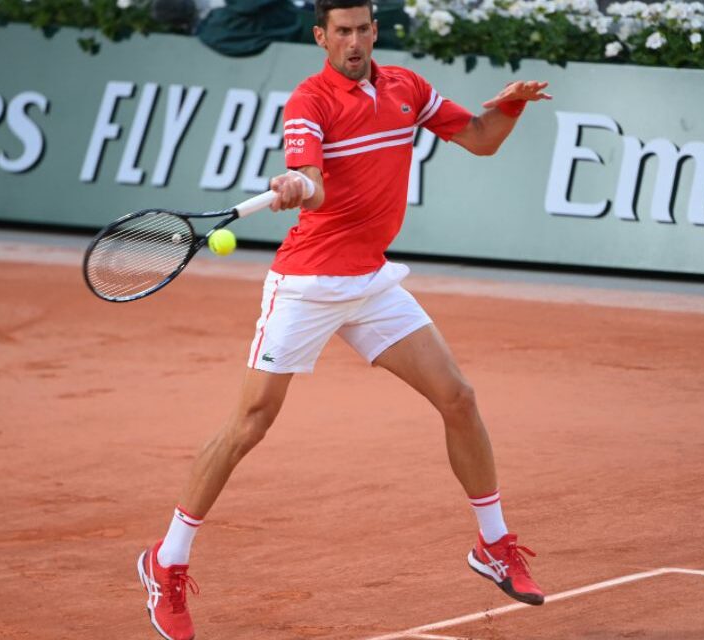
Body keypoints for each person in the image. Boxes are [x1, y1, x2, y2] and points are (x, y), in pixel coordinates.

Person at [136, 1, 552, 637]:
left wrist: (511, 106)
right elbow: (314, 180)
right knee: (249, 425)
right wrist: (300, 185)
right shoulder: (310, 101)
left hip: (371, 282)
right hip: (307, 285)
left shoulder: (407, 88)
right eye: (342, 32)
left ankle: (493, 545)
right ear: (321, 37)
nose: (353, 42)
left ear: (374, 32)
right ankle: (165, 562)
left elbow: (480, 138)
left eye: (363, 30)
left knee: (458, 398)